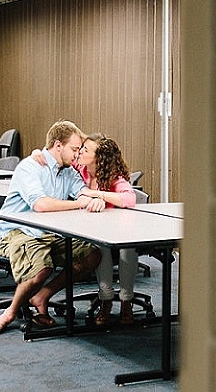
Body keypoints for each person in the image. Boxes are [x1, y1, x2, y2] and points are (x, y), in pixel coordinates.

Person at [0, 120, 104, 336]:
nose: (77, 155)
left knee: (92, 255)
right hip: (16, 230)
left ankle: (42, 295)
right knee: (41, 268)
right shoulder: (30, 167)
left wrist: (95, 199)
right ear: (58, 146)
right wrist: (80, 203)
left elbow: (82, 192)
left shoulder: (69, 172)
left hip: (50, 232)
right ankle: (10, 312)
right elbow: (41, 204)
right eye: (74, 149)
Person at [31, 133, 139, 325]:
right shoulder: (78, 169)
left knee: (127, 249)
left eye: (85, 150)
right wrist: (37, 153)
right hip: (84, 231)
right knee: (99, 248)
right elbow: (53, 159)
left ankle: (126, 301)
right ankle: (106, 300)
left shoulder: (114, 178)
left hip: (116, 232)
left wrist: (97, 194)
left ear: (99, 158)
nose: (80, 152)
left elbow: (129, 199)